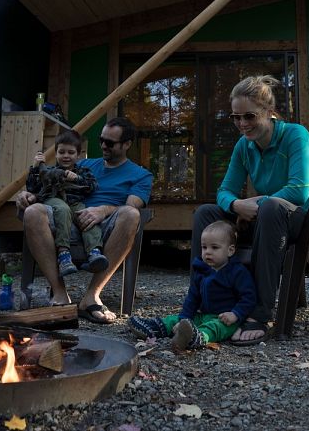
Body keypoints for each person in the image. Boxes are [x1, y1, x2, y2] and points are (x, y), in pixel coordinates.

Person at [192, 75, 309, 345]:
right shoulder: (244, 146)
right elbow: (225, 191)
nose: (242, 124)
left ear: (269, 112)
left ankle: (259, 313)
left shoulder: (296, 136)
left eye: (249, 116)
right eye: (235, 117)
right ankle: (204, 303)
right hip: (271, 222)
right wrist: (236, 205)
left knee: (271, 206)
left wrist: (256, 203)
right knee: (206, 213)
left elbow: (298, 192)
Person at [16, 116, 153, 324]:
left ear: (126, 145)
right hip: (69, 219)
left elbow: (131, 205)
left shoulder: (141, 175)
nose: (103, 146)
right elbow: (52, 183)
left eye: (110, 143)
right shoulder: (85, 165)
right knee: (33, 211)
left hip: (107, 225)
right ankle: (60, 294)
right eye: (101, 140)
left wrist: (103, 211)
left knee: (131, 215)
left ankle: (91, 297)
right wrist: (28, 195)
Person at [129, 221, 256, 351]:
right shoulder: (202, 270)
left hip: (226, 318)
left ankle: (198, 337)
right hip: (203, 314)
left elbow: (249, 297)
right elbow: (192, 298)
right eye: (204, 247)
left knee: (215, 327)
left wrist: (236, 314)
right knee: (177, 320)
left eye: (214, 247)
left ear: (230, 250)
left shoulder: (237, 272)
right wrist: (184, 318)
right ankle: (154, 328)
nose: (208, 252)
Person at [23, 130, 106, 277]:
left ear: (78, 155)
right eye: (62, 152)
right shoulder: (49, 170)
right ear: (55, 154)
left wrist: (77, 179)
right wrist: (35, 167)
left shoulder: (83, 171)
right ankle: (64, 255)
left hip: (75, 202)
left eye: (71, 152)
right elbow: (32, 187)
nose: (66, 156)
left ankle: (94, 252)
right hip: (54, 200)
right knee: (62, 209)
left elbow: (92, 187)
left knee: (86, 216)